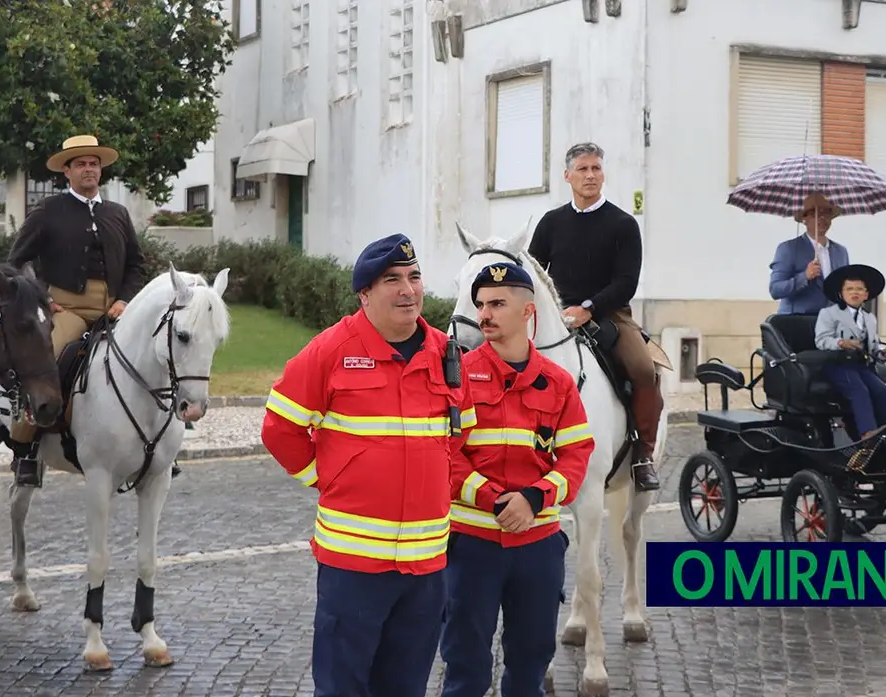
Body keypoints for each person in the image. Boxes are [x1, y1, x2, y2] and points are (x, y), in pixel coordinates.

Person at [260, 233, 475, 697]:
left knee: (405, 688)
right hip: (353, 566)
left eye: (414, 277)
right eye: (392, 280)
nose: (408, 290)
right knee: (342, 687)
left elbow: (463, 437)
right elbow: (280, 429)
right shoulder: (330, 350)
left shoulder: (447, 354)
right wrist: (328, 478)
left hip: (425, 568)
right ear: (364, 294)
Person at [440, 261, 594, 697]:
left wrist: (535, 498)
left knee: (530, 670)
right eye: (481, 304)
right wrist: (494, 500)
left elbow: (576, 455)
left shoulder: (559, 384)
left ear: (528, 312)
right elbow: (446, 456)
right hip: (471, 549)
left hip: (537, 550)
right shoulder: (458, 380)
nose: (484, 314)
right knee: (465, 670)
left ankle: (640, 450)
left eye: (497, 304)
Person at [6, 134, 146, 488]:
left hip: (114, 308)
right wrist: (41, 298)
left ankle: (159, 446)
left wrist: (125, 300)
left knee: (155, 356)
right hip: (65, 307)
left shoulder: (118, 213)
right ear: (66, 172)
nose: (89, 169)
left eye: (94, 163)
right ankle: (24, 447)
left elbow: (136, 265)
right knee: (46, 362)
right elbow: (15, 263)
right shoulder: (47, 212)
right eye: (81, 163)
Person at [527, 141, 660, 492]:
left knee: (645, 370)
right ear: (567, 176)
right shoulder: (550, 223)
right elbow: (533, 274)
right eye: (583, 169)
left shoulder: (623, 224)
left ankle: (643, 454)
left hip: (609, 313)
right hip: (556, 316)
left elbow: (626, 282)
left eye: (596, 168)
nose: (590, 175)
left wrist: (588, 308)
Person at [814, 263, 886, 440]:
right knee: (859, 390)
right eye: (849, 289)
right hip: (838, 365)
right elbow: (821, 340)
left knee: (881, 390)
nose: (854, 293)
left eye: (859, 289)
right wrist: (841, 343)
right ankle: (868, 434)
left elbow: (873, 345)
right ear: (842, 293)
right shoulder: (829, 314)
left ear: (866, 294)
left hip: (862, 366)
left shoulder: (870, 318)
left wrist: (881, 352)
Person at [768, 192, 851, 315]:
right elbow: (775, 290)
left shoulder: (840, 252)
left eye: (827, 213)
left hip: (830, 324)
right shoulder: (789, 249)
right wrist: (805, 276)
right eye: (815, 214)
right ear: (804, 219)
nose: (822, 218)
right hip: (797, 321)